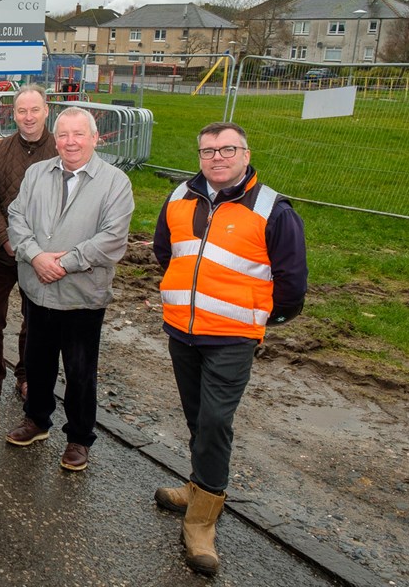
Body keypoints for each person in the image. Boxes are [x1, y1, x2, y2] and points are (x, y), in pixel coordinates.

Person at [152, 122, 307, 575]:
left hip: (234, 337)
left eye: (227, 149)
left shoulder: (272, 209)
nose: (217, 158)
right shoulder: (180, 196)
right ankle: (199, 485)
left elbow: (292, 282)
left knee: (217, 421)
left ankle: (201, 521)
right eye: (208, 151)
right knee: (197, 415)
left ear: (245, 153)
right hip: (183, 329)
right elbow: (166, 251)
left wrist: (258, 318)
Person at [5, 107, 133, 472]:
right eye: (63, 135)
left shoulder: (114, 182)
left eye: (79, 134)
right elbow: (17, 218)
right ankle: (36, 420)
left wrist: (64, 262)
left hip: (82, 296)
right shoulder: (37, 174)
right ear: (55, 138)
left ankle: (78, 437)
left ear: (95, 138)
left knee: (80, 371)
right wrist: (36, 257)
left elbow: (112, 239)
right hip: (38, 289)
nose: (70, 142)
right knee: (37, 361)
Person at [0, 84, 57, 401]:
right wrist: (7, 241)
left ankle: (27, 377)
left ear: (46, 111)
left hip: (44, 256)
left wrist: (40, 250)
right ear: (13, 114)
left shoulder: (61, 150)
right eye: (21, 110)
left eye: (34, 110)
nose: (28, 117)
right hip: (2, 253)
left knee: (36, 322)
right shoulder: (0, 152)